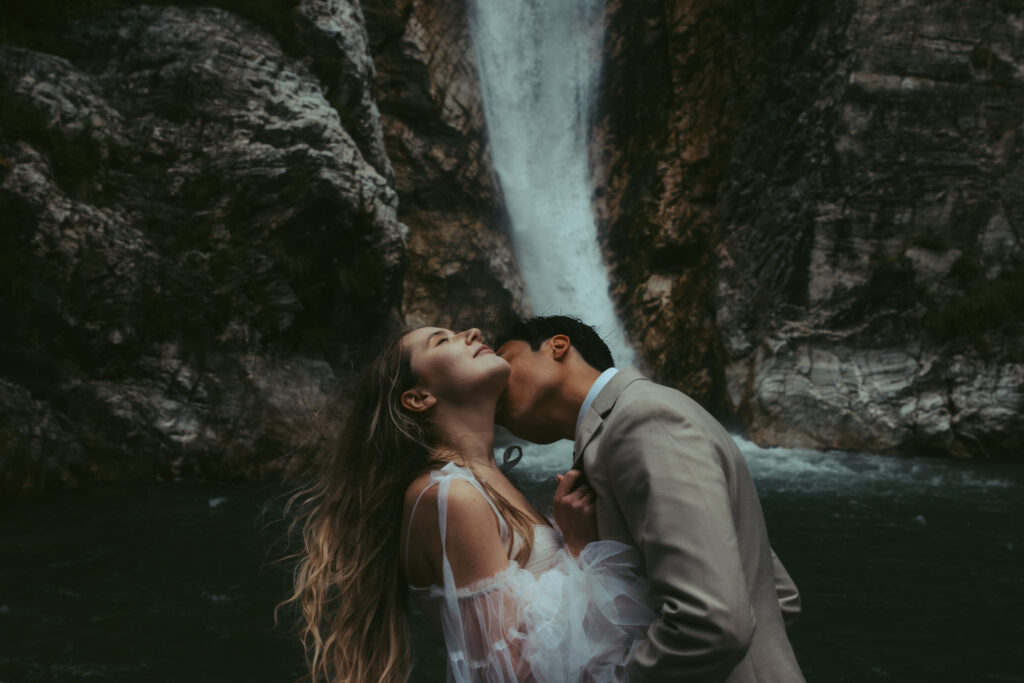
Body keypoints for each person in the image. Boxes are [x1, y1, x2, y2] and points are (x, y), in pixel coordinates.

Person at [280, 326, 654, 683]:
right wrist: (579, 548)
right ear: (419, 398)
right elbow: (512, 672)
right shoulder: (450, 495)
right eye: (443, 341)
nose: (472, 333)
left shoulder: (486, 482)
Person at [493, 315, 805, 683]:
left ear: (557, 346)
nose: (493, 391)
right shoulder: (638, 416)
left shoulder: (643, 419)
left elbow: (711, 622)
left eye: (504, 366)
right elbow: (776, 593)